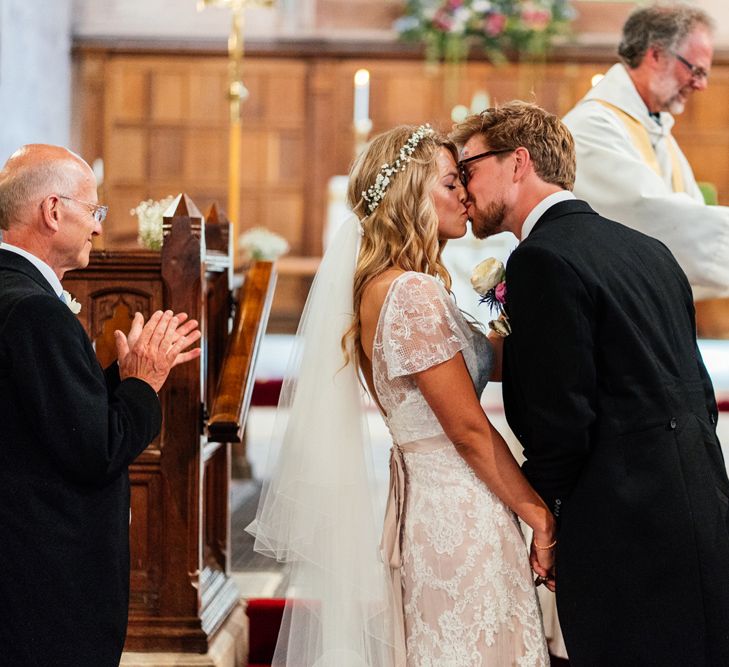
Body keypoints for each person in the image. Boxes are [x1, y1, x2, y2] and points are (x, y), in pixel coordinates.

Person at [248, 125, 555, 665]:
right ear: (410, 195)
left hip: (434, 503)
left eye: (463, 180)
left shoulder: (390, 285)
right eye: (448, 183)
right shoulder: (411, 293)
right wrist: (538, 514)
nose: (464, 194)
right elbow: (466, 429)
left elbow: (487, 359)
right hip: (459, 511)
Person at [451, 100, 729, 666]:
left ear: (518, 162)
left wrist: (542, 514)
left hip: (620, 522)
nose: (463, 187)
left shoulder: (542, 259)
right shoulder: (651, 252)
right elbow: (698, 393)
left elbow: (561, 417)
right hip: (701, 503)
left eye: (469, 168)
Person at [0, 144, 202, 667]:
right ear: (52, 211)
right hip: (45, 583)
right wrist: (145, 382)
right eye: (93, 211)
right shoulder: (34, 312)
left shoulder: (13, 293)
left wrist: (118, 376)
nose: (96, 227)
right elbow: (96, 449)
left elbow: (41, 414)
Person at [562, 3, 729, 301]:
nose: (702, 85)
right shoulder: (591, 128)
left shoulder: (655, 127)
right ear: (655, 54)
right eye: (696, 70)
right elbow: (654, 217)